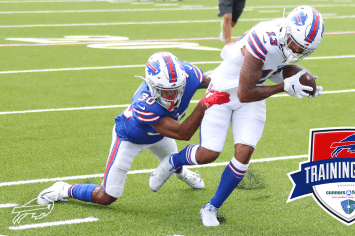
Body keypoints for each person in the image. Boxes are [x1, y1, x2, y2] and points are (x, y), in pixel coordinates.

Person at [149, 6, 325, 226]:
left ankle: (211, 207)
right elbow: (245, 92)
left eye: (302, 48)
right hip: (224, 91)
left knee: (245, 151)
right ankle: (173, 161)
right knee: (209, 153)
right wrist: (283, 87)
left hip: (252, 95)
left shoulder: (287, 41)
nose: (296, 50)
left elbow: (275, 68)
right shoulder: (265, 38)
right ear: (286, 31)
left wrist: (301, 80)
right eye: (294, 43)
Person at [37, 52, 230, 206]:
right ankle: (64, 189)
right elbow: (183, 133)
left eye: (176, 88)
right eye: (165, 91)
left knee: (174, 164)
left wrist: (230, 76)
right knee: (107, 196)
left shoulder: (190, 75)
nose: (172, 95)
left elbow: (211, 80)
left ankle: (182, 173)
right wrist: (204, 104)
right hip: (131, 137)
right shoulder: (143, 104)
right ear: (152, 85)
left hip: (161, 135)